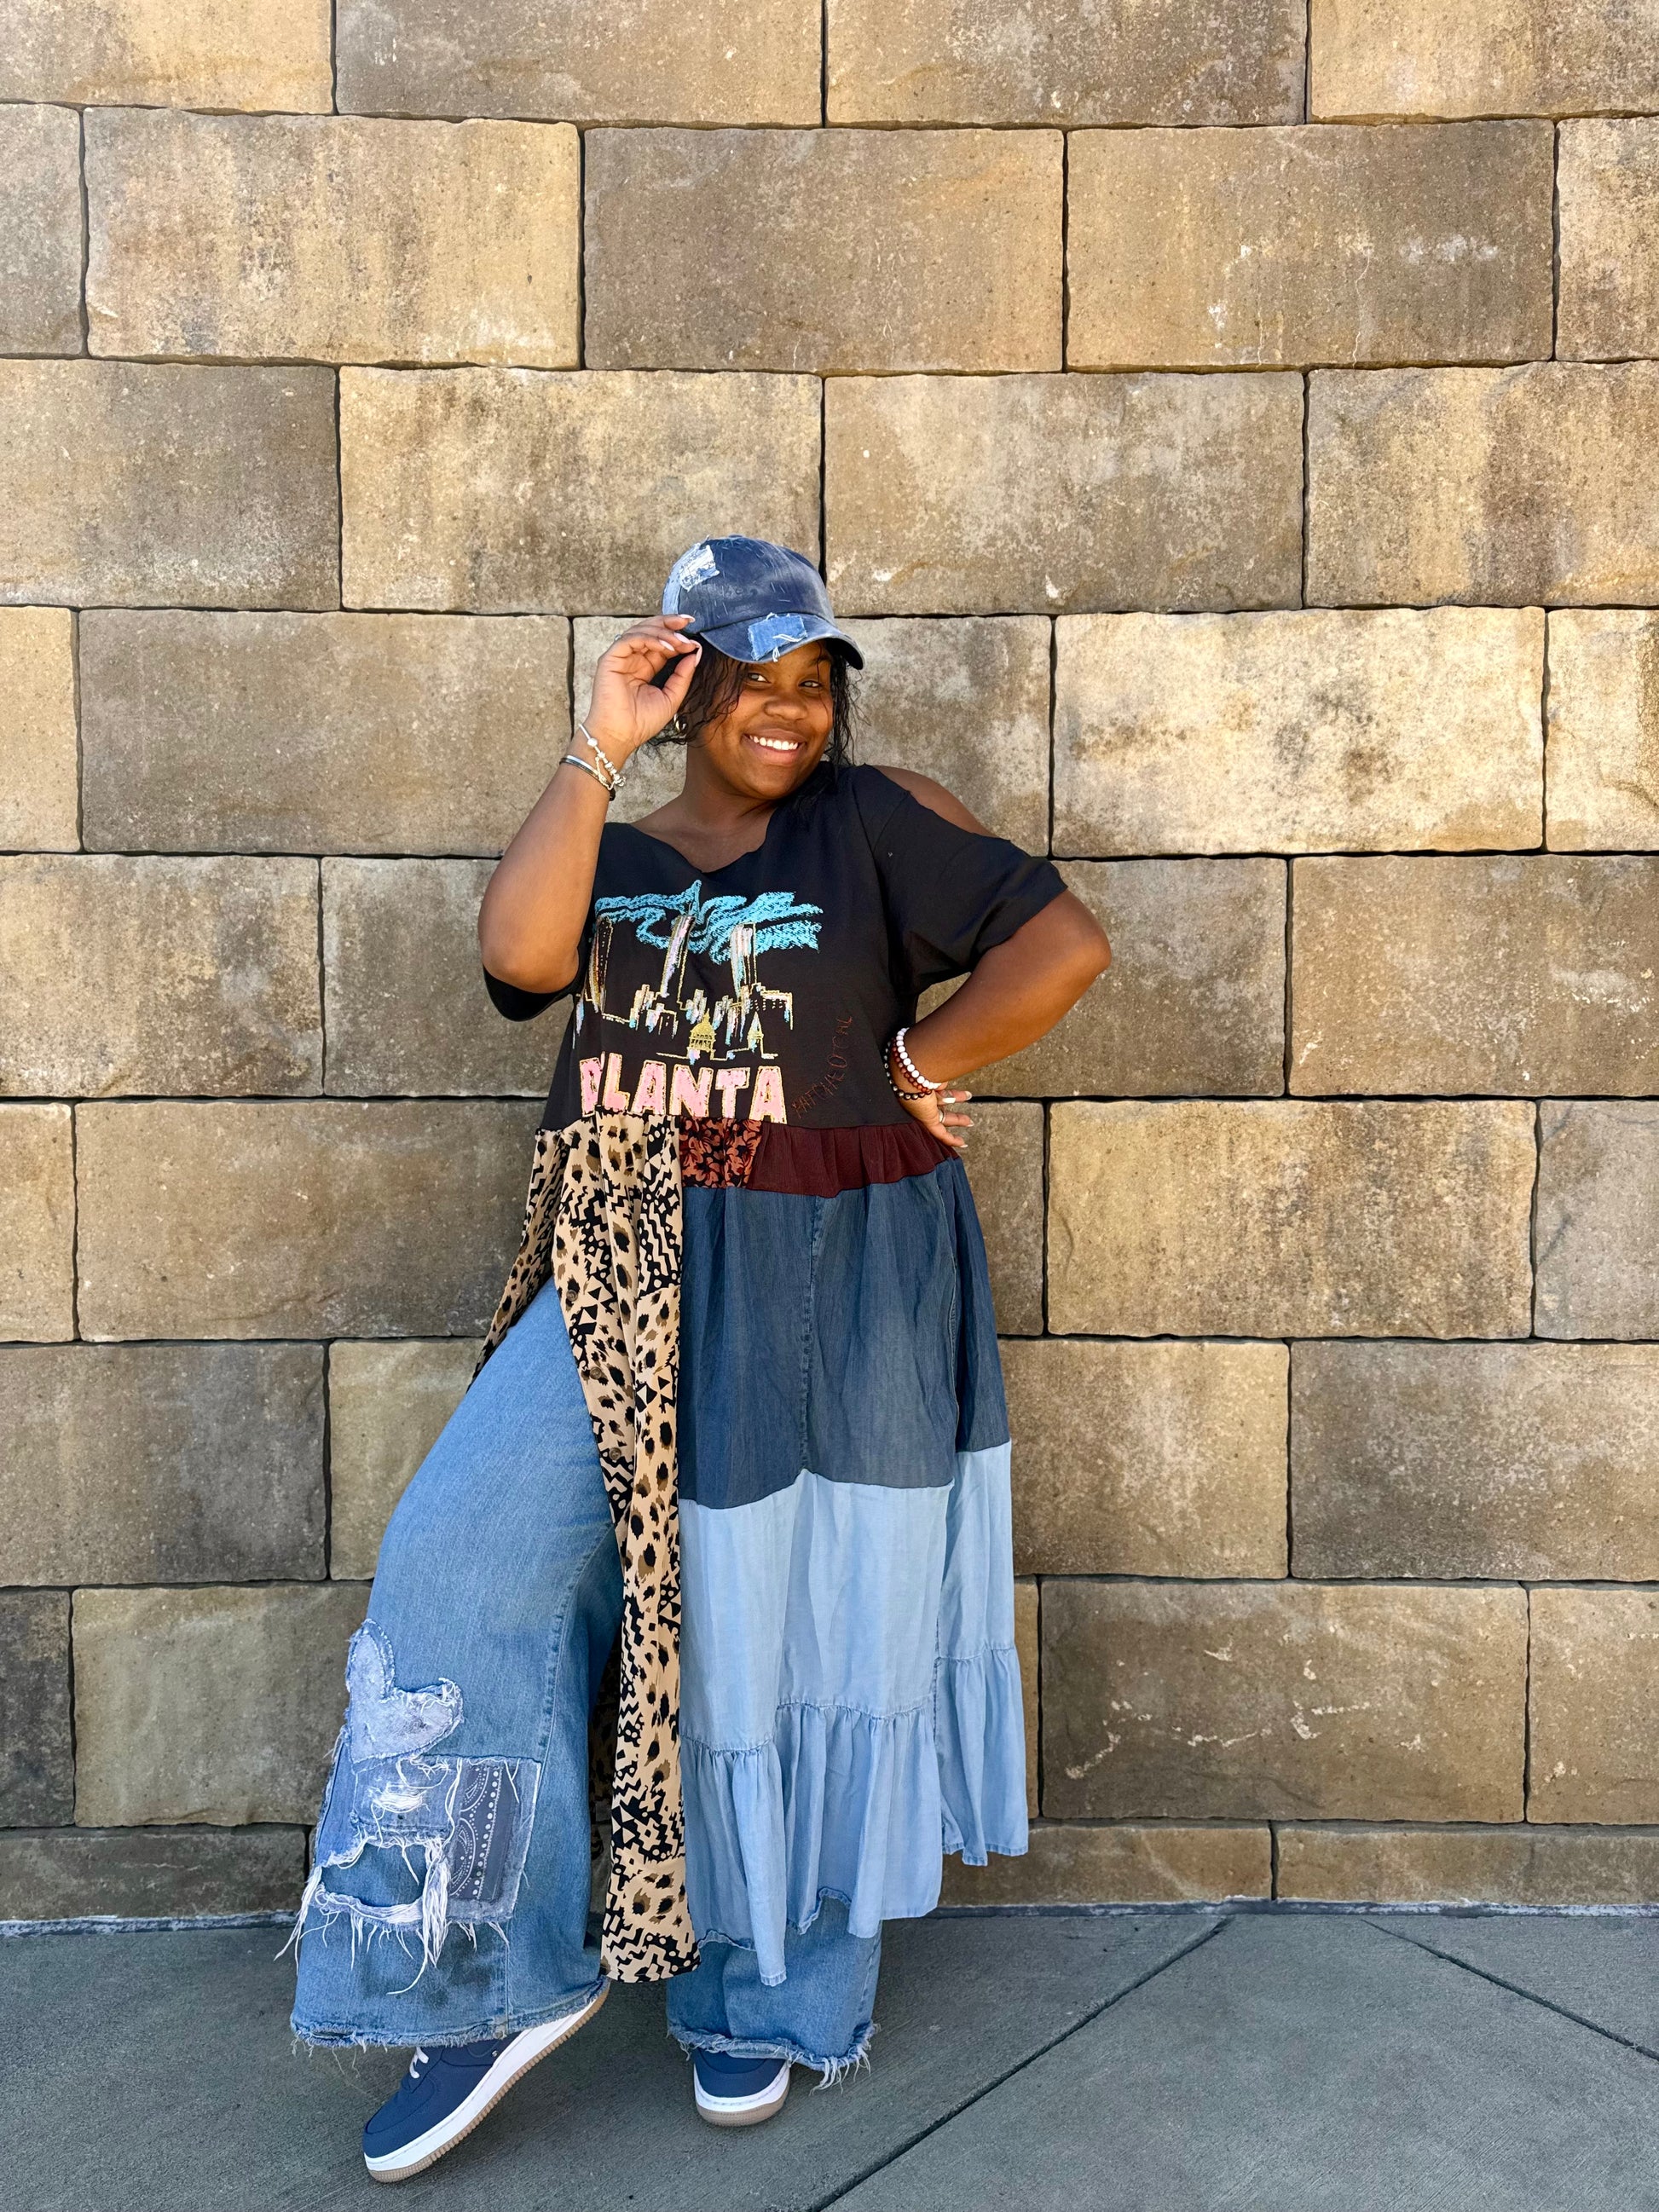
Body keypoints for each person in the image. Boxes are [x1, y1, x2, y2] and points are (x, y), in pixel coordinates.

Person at [286, 535, 1111, 2183]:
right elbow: (521, 961)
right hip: (619, 1248)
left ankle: (769, 1988)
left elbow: (1060, 945)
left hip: (829, 1262)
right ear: (682, 688)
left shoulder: (873, 820)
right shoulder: (612, 839)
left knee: (784, 1618)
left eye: (810, 681)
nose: (783, 711)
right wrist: (597, 741)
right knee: (462, 1564)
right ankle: (494, 1979)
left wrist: (913, 1056)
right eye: (744, 681)